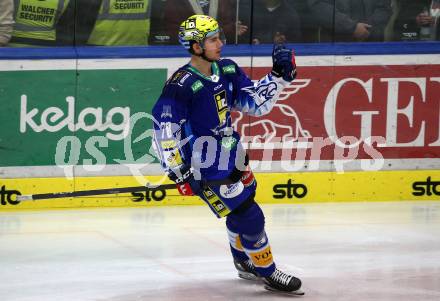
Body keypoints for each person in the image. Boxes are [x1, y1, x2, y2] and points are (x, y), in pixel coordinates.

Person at [151, 14, 304, 295]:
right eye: (213, 40)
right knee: (250, 215)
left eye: (219, 37)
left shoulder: (227, 70)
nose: (220, 43)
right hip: (206, 164)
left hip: (232, 153)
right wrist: (180, 171)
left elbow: (256, 104)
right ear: (196, 47)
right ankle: (268, 272)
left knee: (245, 202)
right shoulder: (180, 85)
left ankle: (244, 261)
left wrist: (279, 78)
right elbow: (164, 129)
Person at [151, 0, 246, 45]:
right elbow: (173, 30)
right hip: (187, 53)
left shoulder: (223, 2)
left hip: (218, 50)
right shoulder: (176, 2)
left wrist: (232, 29)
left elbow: (226, 24)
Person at [308, 0, 392, 42]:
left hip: (372, 46)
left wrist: (366, 29)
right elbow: (318, 6)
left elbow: (384, 8)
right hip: (336, 48)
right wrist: (352, 27)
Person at [239, 0, 303, 44]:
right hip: (251, 54)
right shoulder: (249, 9)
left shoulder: (291, 14)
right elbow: (240, 38)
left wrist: (284, 42)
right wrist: (249, 42)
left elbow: (297, 42)